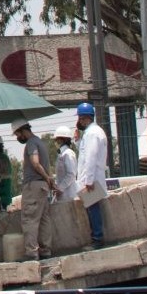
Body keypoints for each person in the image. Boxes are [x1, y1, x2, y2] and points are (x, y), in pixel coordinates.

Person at [12, 119, 56, 260]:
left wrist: (47, 177)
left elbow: (35, 163)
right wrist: (48, 179)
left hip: (34, 186)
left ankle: (31, 253)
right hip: (43, 186)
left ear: (22, 131)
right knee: (44, 219)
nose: (18, 138)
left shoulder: (31, 143)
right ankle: (45, 251)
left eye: (18, 135)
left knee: (29, 219)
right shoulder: (40, 142)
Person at [76, 102, 110, 250]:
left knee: (93, 208)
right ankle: (96, 238)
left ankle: (97, 239)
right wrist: (77, 140)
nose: (79, 121)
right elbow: (85, 153)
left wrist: (88, 180)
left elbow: (90, 157)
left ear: (84, 118)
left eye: (80, 118)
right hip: (92, 177)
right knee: (91, 208)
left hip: (92, 178)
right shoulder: (91, 132)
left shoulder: (92, 133)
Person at [52, 126, 80, 205]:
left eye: (57, 139)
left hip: (69, 195)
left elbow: (71, 174)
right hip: (63, 195)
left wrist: (61, 188)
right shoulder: (61, 154)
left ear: (62, 140)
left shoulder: (68, 153)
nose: (55, 142)